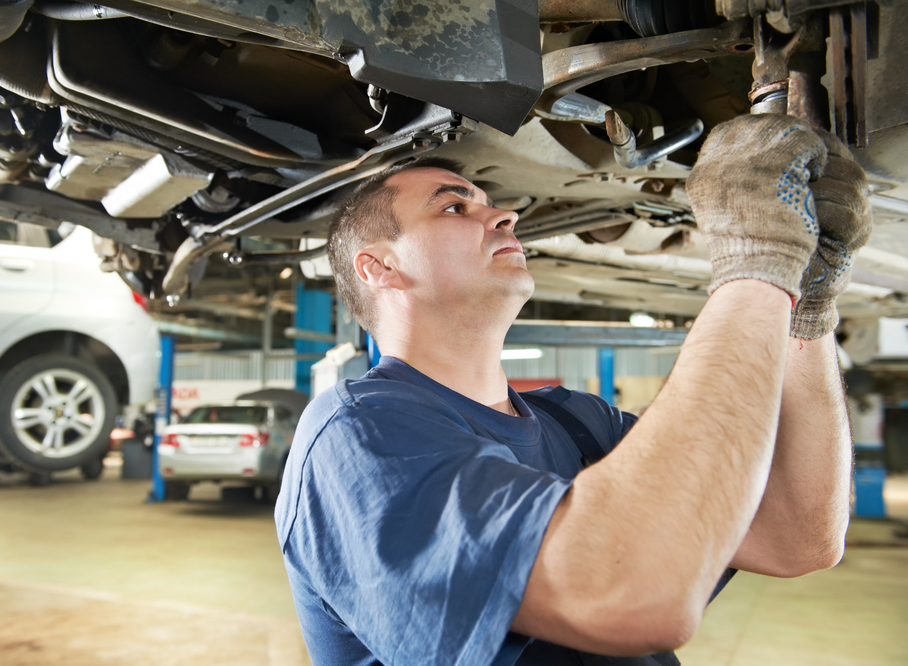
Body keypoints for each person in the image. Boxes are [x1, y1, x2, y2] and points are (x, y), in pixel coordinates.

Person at [274, 114, 872, 665]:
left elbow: (799, 536)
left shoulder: (577, 422)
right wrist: (758, 262)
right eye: (454, 208)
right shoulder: (356, 436)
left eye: (490, 204)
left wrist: (808, 303)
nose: (504, 216)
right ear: (378, 267)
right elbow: (625, 593)